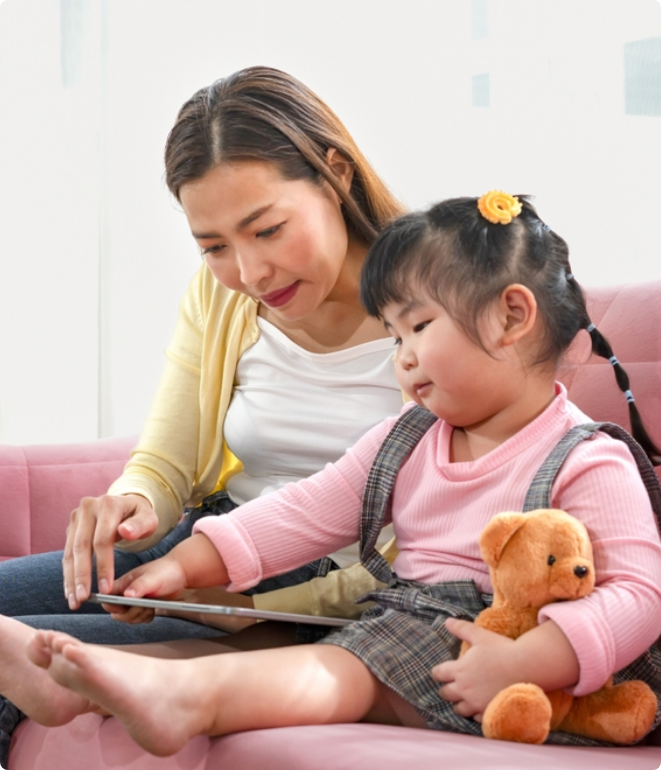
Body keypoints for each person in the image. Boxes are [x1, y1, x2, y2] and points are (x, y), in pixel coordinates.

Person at [3, 191, 661, 754]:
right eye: (394, 337)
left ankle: (177, 701)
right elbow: (304, 511)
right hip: (412, 632)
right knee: (335, 654)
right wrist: (186, 566)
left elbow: (638, 596)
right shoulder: (407, 439)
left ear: (511, 316)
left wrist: (527, 660)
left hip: (531, 677)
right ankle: (82, 684)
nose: (400, 359)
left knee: (340, 668)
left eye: (418, 328)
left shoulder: (585, 457)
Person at [0, 66, 408, 647]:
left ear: (334, 175)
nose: (249, 274)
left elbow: (445, 533)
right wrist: (133, 503)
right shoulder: (220, 295)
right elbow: (168, 461)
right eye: (214, 246)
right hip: (201, 547)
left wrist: (247, 606)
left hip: (319, 596)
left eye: (267, 230)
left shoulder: (435, 308)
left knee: (18, 655)